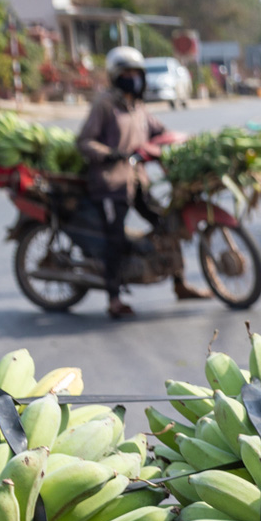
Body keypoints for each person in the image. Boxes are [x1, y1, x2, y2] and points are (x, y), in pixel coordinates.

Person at [76, 45, 202, 318]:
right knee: (115, 239)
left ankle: (180, 283)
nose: (134, 78)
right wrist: (111, 154)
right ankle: (113, 299)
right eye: (128, 73)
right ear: (116, 75)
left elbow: (160, 131)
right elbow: (84, 142)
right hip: (110, 183)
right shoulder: (105, 105)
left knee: (167, 223)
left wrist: (186, 141)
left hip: (137, 181)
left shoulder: (138, 106)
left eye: (137, 73)